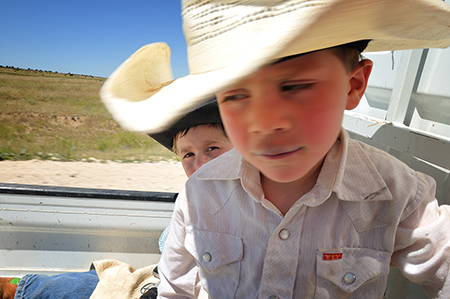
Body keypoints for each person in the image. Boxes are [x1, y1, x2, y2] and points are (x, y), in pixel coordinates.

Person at [97, 0, 450, 298]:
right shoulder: (199, 194)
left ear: (354, 85)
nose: (264, 122)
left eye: (295, 86)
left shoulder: (397, 192)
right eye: (236, 95)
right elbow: (175, 289)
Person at [0, 100, 232, 299]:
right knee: (89, 281)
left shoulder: (253, 203)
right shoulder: (188, 200)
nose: (200, 164)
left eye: (212, 148)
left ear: (239, 148)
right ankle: (17, 286)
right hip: (164, 282)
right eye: (188, 154)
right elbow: (173, 272)